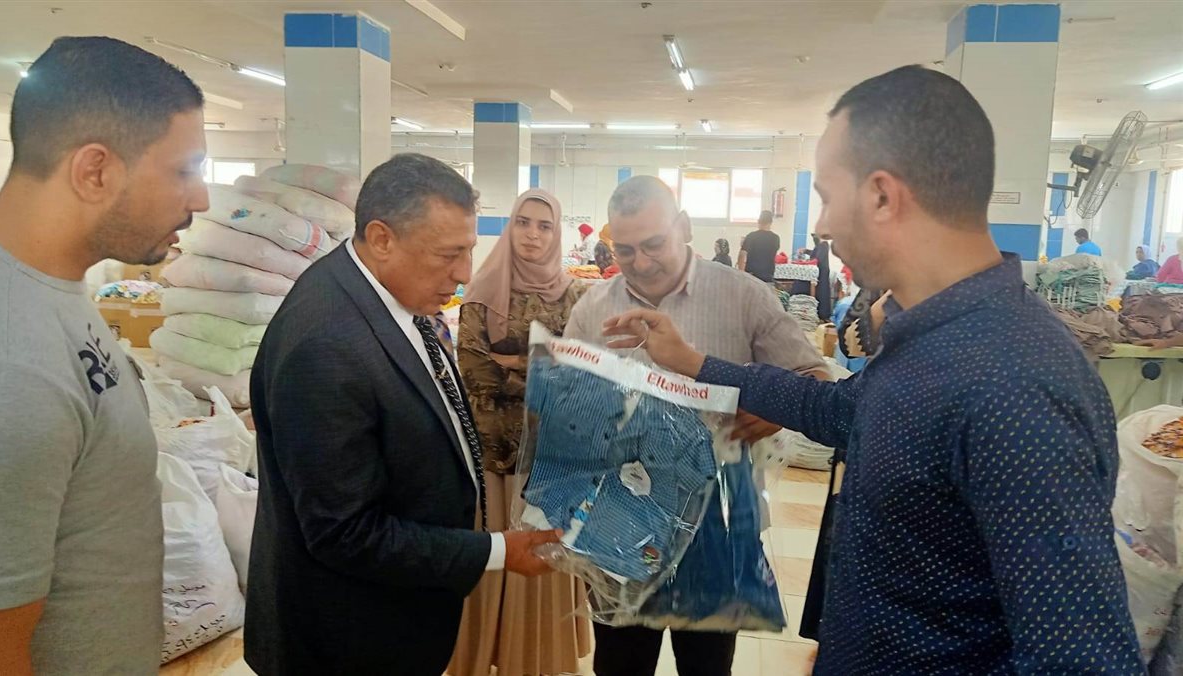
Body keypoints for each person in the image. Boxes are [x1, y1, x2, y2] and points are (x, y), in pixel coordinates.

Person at [602, 66, 1142, 673]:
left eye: (828, 196)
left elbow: (1081, 657)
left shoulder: (1016, 387)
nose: (821, 225)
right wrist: (694, 362)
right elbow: (836, 408)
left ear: (883, 195)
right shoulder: (931, 338)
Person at [245, 154, 559, 676]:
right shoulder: (325, 345)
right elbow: (345, 534)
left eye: (469, 251)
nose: (463, 274)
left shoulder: (385, 296)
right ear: (382, 238)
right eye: (448, 255)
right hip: (348, 639)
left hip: (399, 615)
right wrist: (497, 551)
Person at [0, 37, 208, 676]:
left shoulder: (50, 290)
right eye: (184, 171)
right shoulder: (8, 362)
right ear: (96, 171)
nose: (200, 200)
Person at [564, 175, 828, 676]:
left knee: (706, 664)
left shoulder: (743, 296)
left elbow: (815, 379)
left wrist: (774, 408)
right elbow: (570, 403)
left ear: (683, 227)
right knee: (620, 662)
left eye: (654, 244)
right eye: (625, 250)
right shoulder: (593, 307)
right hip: (622, 519)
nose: (642, 262)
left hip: (718, 518)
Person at [448, 189, 591, 676]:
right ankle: (482, 651)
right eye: (523, 222)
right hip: (491, 450)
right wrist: (541, 365)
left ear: (556, 233)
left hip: (550, 453)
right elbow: (474, 373)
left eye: (544, 226)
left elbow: (582, 376)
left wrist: (513, 363)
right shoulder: (482, 291)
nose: (532, 234)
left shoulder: (576, 296)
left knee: (542, 547)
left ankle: (535, 657)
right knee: (492, 546)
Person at [738, 209, 781, 283]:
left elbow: (742, 255)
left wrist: (741, 273)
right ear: (771, 222)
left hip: (752, 275)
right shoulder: (775, 238)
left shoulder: (751, 236)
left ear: (758, 221)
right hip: (768, 275)